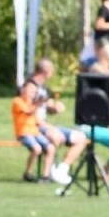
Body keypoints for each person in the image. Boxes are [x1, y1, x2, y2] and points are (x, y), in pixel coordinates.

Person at [29, 57, 81, 185]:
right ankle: (50, 171)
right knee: (56, 136)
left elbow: (46, 107)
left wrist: (54, 108)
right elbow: (27, 111)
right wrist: (44, 124)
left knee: (80, 138)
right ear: (47, 71)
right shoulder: (30, 87)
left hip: (45, 124)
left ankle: (62, 170)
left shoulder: (44, 88)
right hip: (34, 126)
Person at [11, 79, 56, 181]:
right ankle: (28, 173)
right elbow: (28, 111)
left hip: (34, 131)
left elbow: (37, 120)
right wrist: (38, 103)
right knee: (37, 149)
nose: (32, 94)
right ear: (23, 90)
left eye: (34, 92)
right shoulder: (17, 101)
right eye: (30, 90)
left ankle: (45, 175)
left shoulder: (32, 103)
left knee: (51, 148)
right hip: (23, 132)